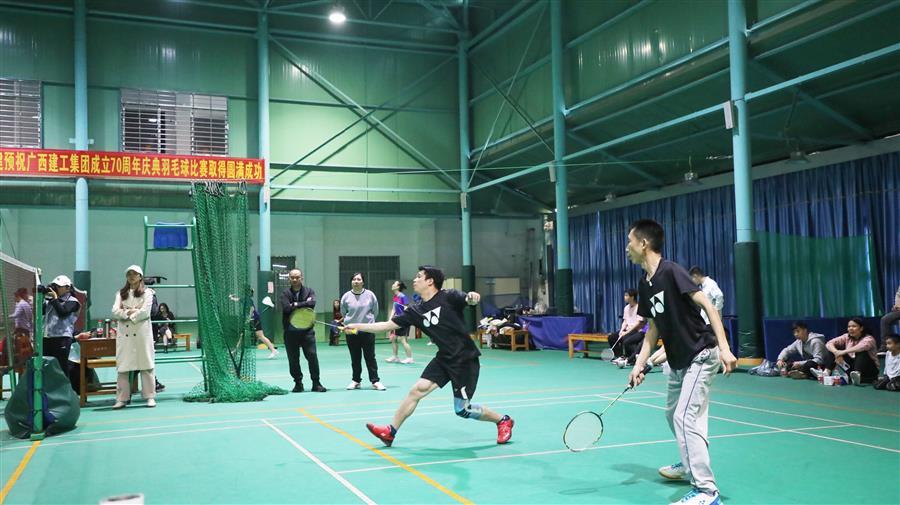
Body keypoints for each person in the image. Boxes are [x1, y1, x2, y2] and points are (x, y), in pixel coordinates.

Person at [625, 219, 736, 505]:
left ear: (643, 244)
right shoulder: (644, 284)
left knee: (685, 417)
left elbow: (708, 306)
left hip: (701, 354)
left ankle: (707, 492)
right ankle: (689, 464)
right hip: (678, 360)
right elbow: (652, 329)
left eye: (630, 242)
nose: (627, 248)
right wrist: (639, 364)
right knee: (672, 414)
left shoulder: (672, 271)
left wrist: (725, 348)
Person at [347, 265, 515, 447]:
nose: (414, 280)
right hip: (444, 358)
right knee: (417, 390)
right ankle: (390, 432)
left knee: (463, 409)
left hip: (464, 359)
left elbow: (469, 299)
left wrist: (472, 297)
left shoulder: (449, 296)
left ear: (430, 281)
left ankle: (503, 420)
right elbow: (387, 325)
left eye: (419, 276)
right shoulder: (415, 311)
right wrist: (357, 326)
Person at [111, 265, 157, 409]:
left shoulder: (148, 293)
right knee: (123, 367)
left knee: (146, 365)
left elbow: (145, 312)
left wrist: (129, 313)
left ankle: (150, 396)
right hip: (125, 335)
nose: (131, 276)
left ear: (140, 276)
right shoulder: (121, 293)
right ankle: (121, 399)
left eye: (135, 274)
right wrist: (128, 313)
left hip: (142, 333)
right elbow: (115, 311)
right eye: (129, 274)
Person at [279, 269, 325, 393]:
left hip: (307, 332)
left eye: (297, 277)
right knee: (293, 359)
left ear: (302, 278)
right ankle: (298, 383)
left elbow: (312, 303)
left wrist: (295, 304)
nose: (295, 279)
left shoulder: (309, 291)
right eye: (292, 277)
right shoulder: (285, 293)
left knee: (312, 356)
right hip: (290, 332)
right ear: (289, 278)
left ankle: (316, 383)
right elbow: (286, 308)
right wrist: (304, 303)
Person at [341, 273, 385, 390]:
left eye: (359, 279)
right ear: (351, 282)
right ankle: (356, 381)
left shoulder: (370, 295)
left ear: (363, 282)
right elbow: (344, 313)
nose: (356, 281)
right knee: (355, 358)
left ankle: (375, 381)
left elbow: (375, 311)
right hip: (352, 332)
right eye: (354, 279)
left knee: (370, 357)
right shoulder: (346, 296)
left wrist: (368, 324)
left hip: (367, 330)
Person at [42, 275, 81, 380]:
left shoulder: (73, 301)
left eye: (58, 286)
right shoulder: (50, 301)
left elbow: (63, 312)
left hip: (62, 338)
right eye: (54, 286)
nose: (55, 288)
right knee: (47, 368)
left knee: (61, 368)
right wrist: (41, 296)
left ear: (67, 288)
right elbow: (40, 311)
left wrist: (54, 299)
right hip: (47, 337)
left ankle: (64, 390)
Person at [825, 317, 879, 385]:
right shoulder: (846, 336)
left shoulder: (869, 338)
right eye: (849, 326)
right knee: (833, 349)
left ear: (861, 328)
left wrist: (842, 352)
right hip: (851, 369)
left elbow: (861, 347)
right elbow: (829, 343)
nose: (850, 328)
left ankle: (857, 374)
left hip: (869, 372)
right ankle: (826, 372)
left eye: (854, 326)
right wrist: (836, 352)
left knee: (862, 352)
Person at [609, 288, 645, 367]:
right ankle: (620, 356)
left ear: (632, 297)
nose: (624, 297)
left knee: (625, 338)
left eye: (626, 295)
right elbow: (625, 321)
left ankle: (630, 357)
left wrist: (626, 332)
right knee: (612, 337)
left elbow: (638, 323)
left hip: (637, 330)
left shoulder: (639, 307)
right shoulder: (626, 308)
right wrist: (621, 330)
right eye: (625, 295)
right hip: (627, 329)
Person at [386, 281, 413, 364]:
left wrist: (402, 318)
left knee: (403, 340)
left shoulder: (403, 297)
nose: (392, 285)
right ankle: (395, 357)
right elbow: (394, 309)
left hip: (404, 321)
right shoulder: (395, 297)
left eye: (394, 284)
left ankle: (409, 358)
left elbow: (407, 309)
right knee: (394, 339)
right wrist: (390, 319)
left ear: (398, 287)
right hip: (397, 320)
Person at [248, 290, 278, 359]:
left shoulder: (249, 300)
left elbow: (252, 309)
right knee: (243, 334)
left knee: (261, 336)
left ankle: (273, 350)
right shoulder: (245, 299)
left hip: (255, 320)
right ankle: (235, 351)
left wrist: (249, 318)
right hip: (253, 319)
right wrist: (232, 298)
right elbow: (238, 299)